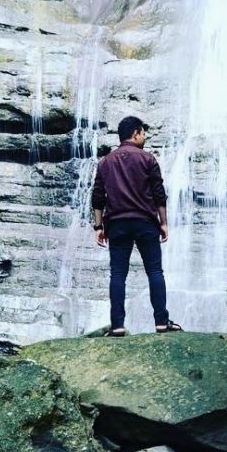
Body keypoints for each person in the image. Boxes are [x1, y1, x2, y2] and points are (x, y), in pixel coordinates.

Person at [91, 115, 182, 335]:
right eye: (143, 133)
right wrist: (164, 223)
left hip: (117, 224)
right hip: (145, 223)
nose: (145, 137)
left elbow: (97, 196)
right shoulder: (148, 159)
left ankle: (118, 326)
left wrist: (98, 227)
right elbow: (159, 194)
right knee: (154, 271)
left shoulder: (106, 162)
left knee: (118, 274)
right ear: (136, 133)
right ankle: (162, 322)